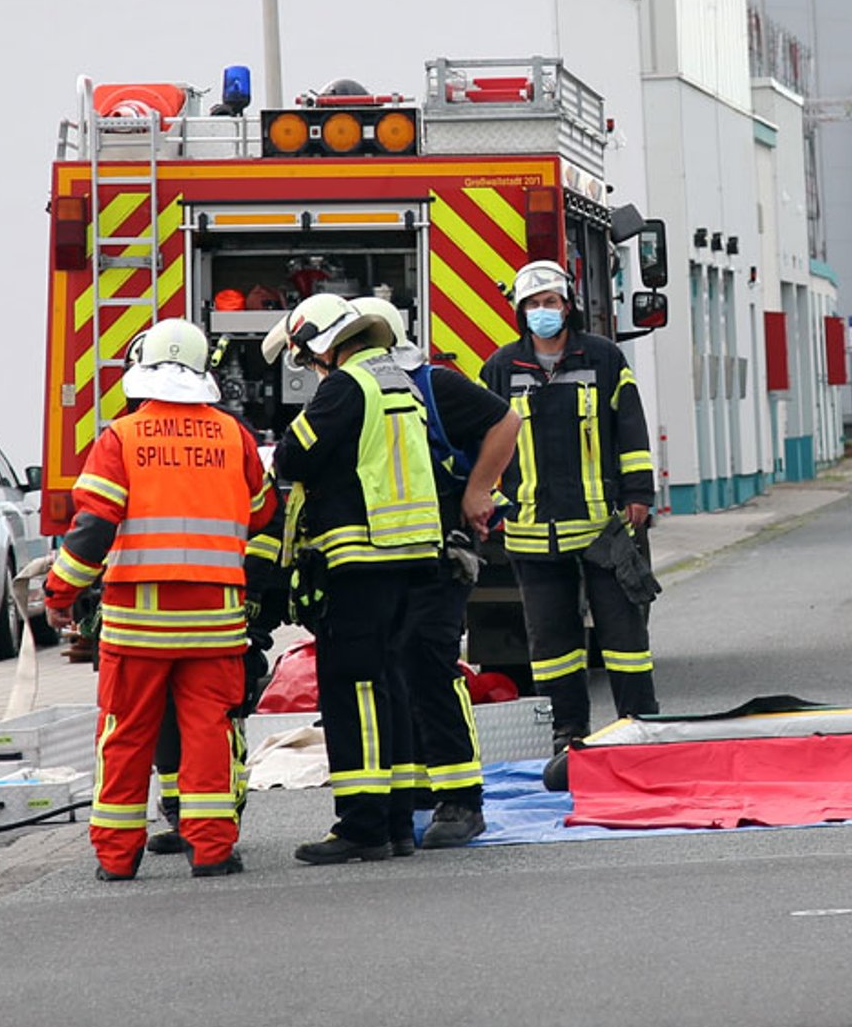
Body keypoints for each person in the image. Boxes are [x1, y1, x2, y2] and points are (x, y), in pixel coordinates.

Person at [42, 319, 274, 880]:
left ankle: (118, 860)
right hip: (215, 623)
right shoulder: (232, 434)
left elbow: (93, 526)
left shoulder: (120, 437)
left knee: (125, 733)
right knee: (209, 731)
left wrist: (60, 591)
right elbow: (264, 511)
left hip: (138, 623)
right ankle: (212, 850)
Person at [270, 293, 442, 863]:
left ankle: (362, 825)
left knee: (353, 689)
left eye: (307, 357)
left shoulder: (346, 386)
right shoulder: (397, 378)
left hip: (363, 556)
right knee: (388, 682)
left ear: (322, 345)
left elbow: (293, 457)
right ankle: (394, 821)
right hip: (410, 553)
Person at [352, 296, 518, 848]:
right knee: (393, 660)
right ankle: (420, 784)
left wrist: (478, 491)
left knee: (428, 658)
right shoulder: (357, 393)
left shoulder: (433, 385)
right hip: (385, 556)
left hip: (441, 550)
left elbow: (506, 419)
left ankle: (461, 799)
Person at [479, 260, 659, 751]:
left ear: (568, 305)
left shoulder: (602, 358)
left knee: (624, 640)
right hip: (531, 532)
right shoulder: (500, 368)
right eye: (534, 305)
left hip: (605, 527)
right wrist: (494, 502)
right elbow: (483, 442)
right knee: (552, 646)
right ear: (521, 312)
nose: (543, 312)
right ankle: (568, 732)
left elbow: (631, 429)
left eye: (550, 303)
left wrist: (639, 494)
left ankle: (640, 724)